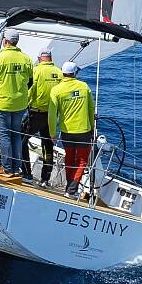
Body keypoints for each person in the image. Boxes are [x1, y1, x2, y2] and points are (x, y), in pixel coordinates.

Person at [0, 29, 33, 179]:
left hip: (2, 102)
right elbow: (30, 82)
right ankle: (16, 167)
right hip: (20, 103)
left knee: (5, 135)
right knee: (16, 135)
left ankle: (7, 168)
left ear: (5, 41)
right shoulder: (26, 58)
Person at [47, 61, 95, 198]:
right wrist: (92, 127)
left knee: (69, 159)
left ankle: (69, 187)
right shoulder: (84, 87)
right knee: (82, 161)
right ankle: (71, 190)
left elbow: (52, 115)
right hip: (84, 131)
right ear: (75, 73)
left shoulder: (56, 90)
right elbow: (91, 109)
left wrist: (52, 133)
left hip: (66, 132)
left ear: (63, 73)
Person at [25, 46, 63, 185]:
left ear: (39, 58)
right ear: (51, 58)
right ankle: (45, 179)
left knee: (21, 139)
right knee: (48, 146)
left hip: (36, 113)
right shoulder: (59, 73)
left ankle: (26, 172)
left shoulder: (36, 70)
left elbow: (30, 90)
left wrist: (24, 105)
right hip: (52, 116)